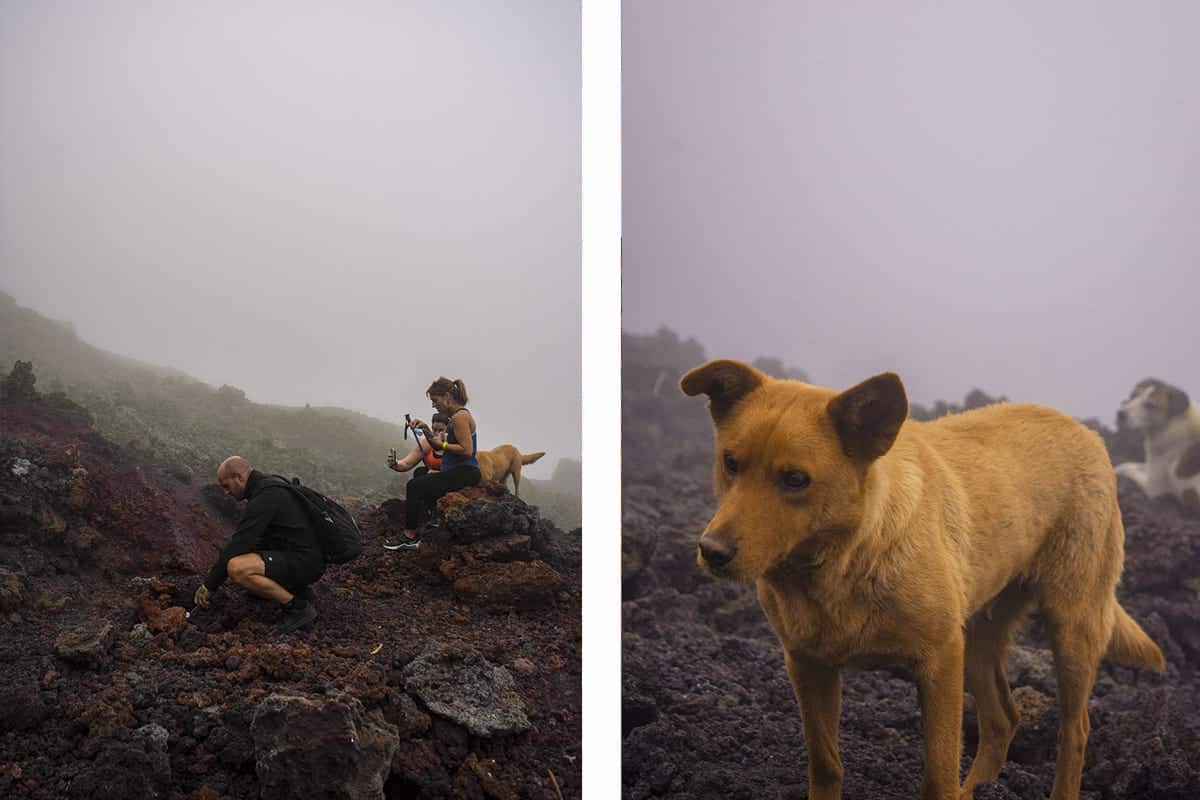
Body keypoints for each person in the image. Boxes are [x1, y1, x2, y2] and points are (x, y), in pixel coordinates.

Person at [193, 456, 324, 633]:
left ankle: (299, 608)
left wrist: (209, 585)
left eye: (226, 486)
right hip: (305, 558)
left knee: (237, 569)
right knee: (247, 563)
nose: (226, 493)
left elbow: (239, 544)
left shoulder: (265, 497)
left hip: (305, 562)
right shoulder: (270, 485)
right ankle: (300, 591)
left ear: (239, 478)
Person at [384, 377, 481, 550]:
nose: (434, 405)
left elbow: (466, 450)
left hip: (465, 472)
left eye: (435, 401)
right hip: (459, 471)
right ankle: (434, 519)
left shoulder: (460, 417)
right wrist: (427, 430)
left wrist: (442, 445)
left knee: (414, 486)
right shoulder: (457, 416)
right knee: (421, 475)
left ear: (447, 397)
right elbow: (435, 445)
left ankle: (409, 536)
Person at [387, 412, 449, 478]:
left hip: (449, 479)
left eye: (441, 430)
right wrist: (395, 463)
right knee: (419, 472)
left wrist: (439, 474)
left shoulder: (454, 444)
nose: (437, 434)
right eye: (434, 430)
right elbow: (406, 463)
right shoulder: (427, 443)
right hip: (432, 479)